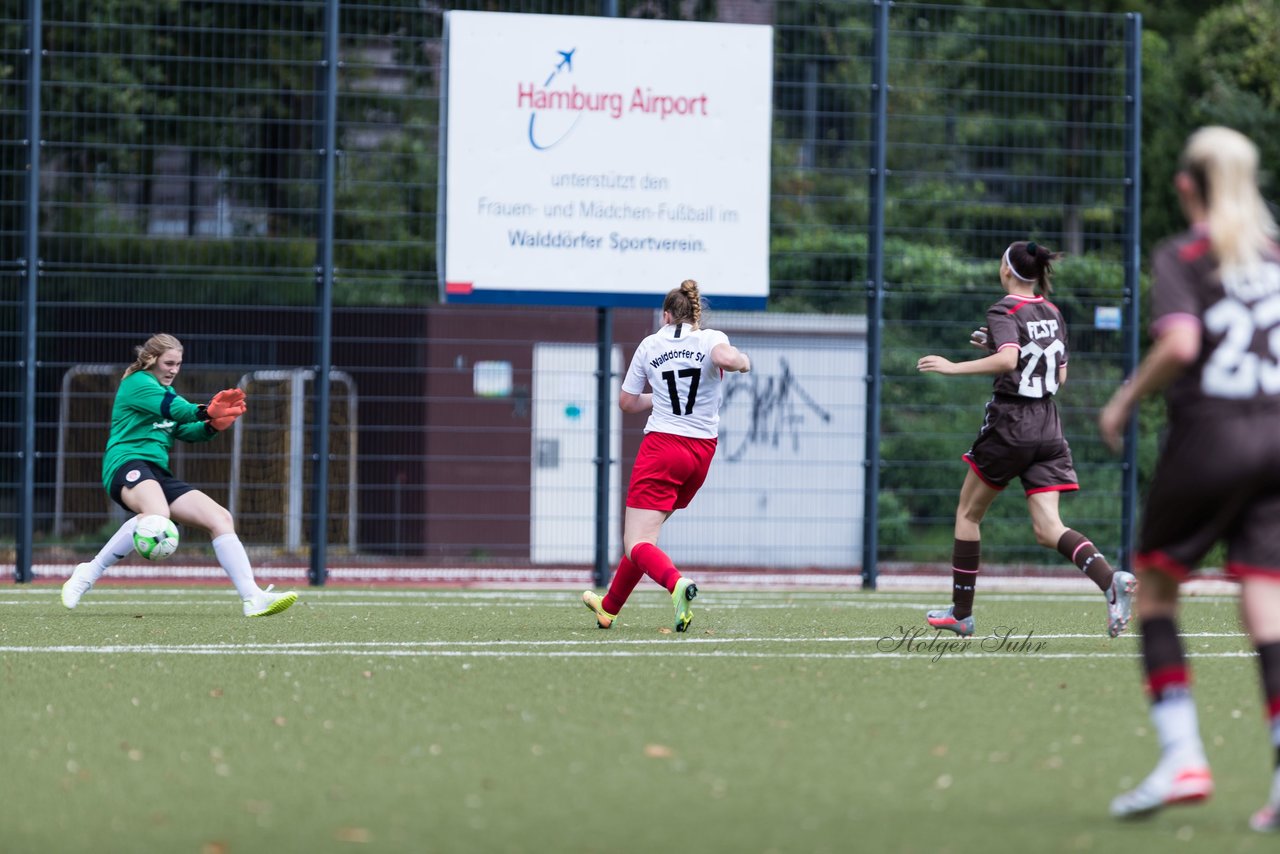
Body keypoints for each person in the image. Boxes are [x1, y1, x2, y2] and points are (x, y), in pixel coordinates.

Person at [1099, 127, 1280, 827]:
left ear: (1185, 186)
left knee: (1155, 587)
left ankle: (1183, 757)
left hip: (1211, 438)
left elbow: (1181, 342)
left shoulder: (1185, 254)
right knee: (1266, 602)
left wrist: (1125, 396)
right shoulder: (1273, 255)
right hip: (1276, 438)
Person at [916, 241, 1137, 638]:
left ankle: (961, 614)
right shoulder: (1052, 312)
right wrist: (1000, 348)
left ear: (1006, 270)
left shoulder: (1004, 308)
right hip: (1048, 425)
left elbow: (1008, 361)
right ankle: (1111, 581)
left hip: (1011, 423)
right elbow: (1058, 375)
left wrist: (952, 367)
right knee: (1048, 528)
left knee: (968, 515)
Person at [61, 333, 298, 618]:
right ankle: (88, 573)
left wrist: (212, 425)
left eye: (178, 364)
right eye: (169, 363)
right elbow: (179, 411)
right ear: (151, 360)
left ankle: (252, 597)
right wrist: (208, 410)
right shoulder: (137, 383)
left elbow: (183, 429)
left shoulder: (166, 392)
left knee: (220, 518)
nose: (174, 370)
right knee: (156, 513)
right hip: (126, 462)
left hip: (157, 472)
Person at [581, 280, 750, 632]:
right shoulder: (710, 338)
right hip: (700, 454)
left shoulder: (650, 344)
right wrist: (742, 361)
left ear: (666, 315)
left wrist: (653, 400)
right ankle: (609, 607)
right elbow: (725, 358)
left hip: (662, 448)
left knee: (637, 541)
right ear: (695, 318)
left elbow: (627, 402)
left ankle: (676, 584)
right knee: (646, 538)